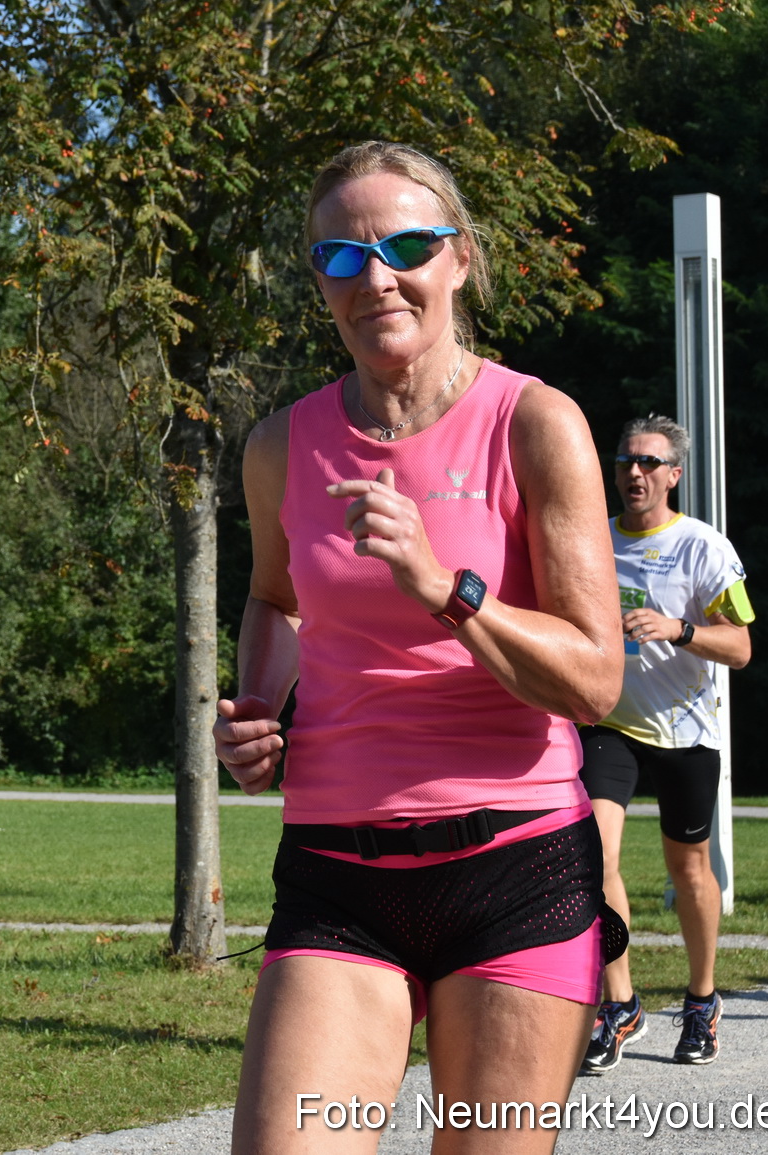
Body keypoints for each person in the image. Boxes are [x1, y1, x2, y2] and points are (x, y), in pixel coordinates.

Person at [213, 141, 626, 1154]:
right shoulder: (280, 446)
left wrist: (446, 590)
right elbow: (275, 600)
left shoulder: (534, 423)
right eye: (342, 259)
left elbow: (593, 679)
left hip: (514, 870)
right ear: (319, 284)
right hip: (335, 872)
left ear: (460, 259)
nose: (377, 278)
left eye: (404, 245)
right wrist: (258, 713)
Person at [577, 414, 754, 1074]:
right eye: (626, 460)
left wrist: (678, 629)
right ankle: (620, 1003)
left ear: (674, 475)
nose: (635, 472)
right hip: (609, 720)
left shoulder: (703, 547)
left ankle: (703, 997)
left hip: (684, 727)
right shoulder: (593, 540)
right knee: (594, 856)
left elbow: (739, 647)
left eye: (650, 462)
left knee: (689, 870)